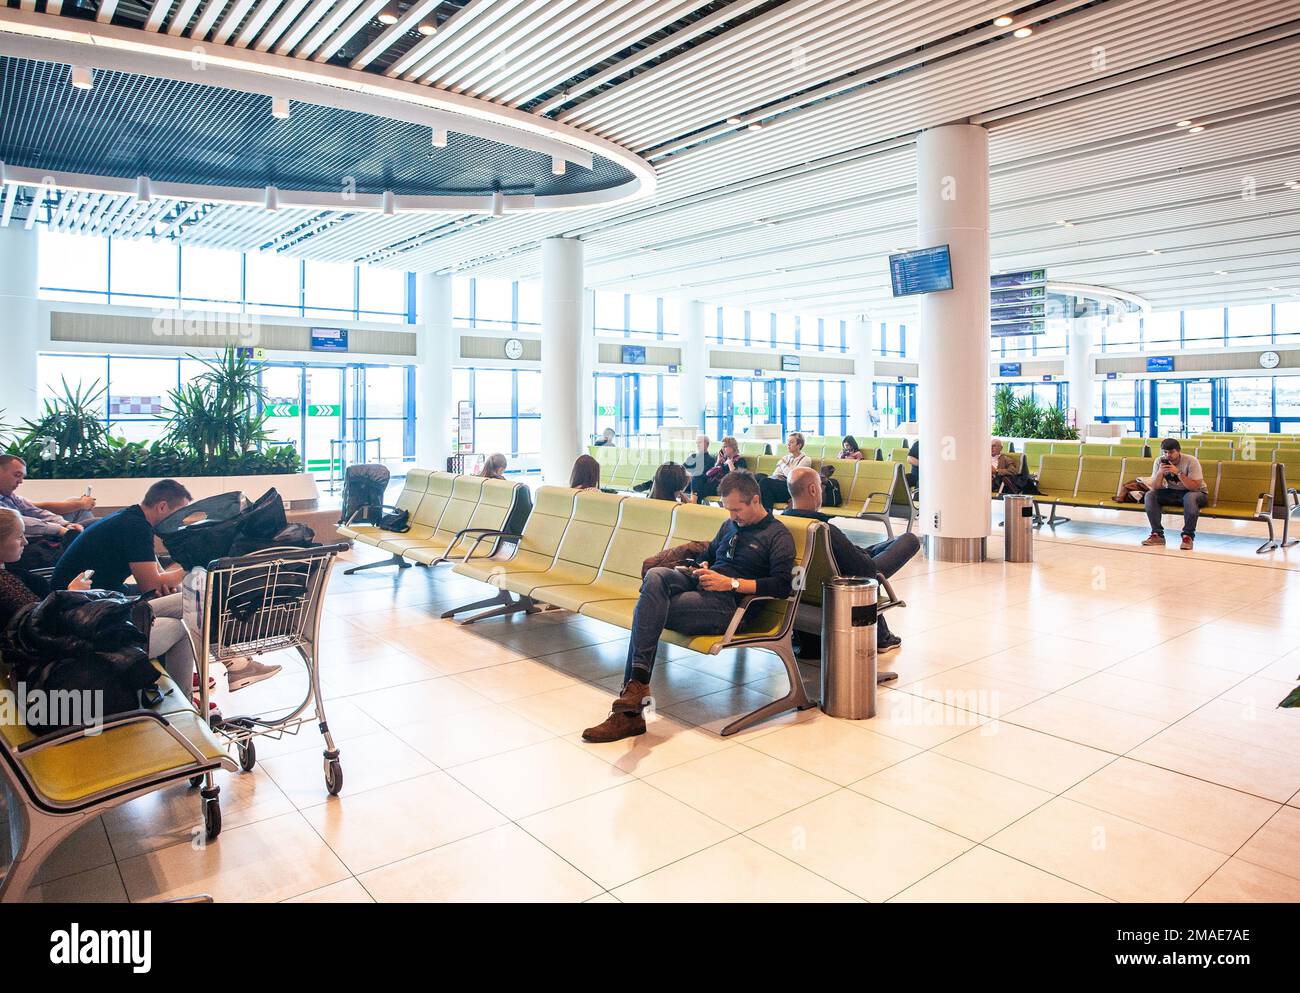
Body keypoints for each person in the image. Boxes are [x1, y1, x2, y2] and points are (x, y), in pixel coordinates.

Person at [582, 472, 794, 743]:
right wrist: (702, 566)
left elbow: (782, 585)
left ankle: (631, 708)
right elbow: (709, 555)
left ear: (755, 500)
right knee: (656, 575)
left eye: (737, 510)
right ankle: (637, 689)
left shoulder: (777, 535)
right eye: (728, 510)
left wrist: (731, 583)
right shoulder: (729, 527)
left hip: (729, 608)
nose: (732, 516)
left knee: (646, 611)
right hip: (704, 587)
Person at [51, 479, 279, 696]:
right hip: (86, 613)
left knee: (186, 599)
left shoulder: (130, 519)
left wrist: (181, 569)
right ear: (162, 507)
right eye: (180, 514)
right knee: (195, 602)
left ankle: (228, 669)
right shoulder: (135, 527)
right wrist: (195, 562)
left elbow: (157, 581)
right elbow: (152, 585)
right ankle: (234, 665)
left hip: (92, 604)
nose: (183, 522)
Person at [782, 467, 918, 655]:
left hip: (805, 596)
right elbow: (866, 571)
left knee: (878, 547)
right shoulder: (823, 530)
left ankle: (883, 636)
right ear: (813, 490)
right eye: (821, 487)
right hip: (841, 588)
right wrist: (864, 557)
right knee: (909, 540)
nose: (822, 491)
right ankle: (882, 637)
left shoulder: (784, 524)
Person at [0, 454, 96, 578]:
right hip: (28, 543)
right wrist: (60, 529)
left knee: (90, 525)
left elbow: (36, 511)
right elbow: (23, 522)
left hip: (37, 536)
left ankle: (90, 558)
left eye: (23, 477)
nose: (21, 481)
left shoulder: (10, 496)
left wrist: (65, 524)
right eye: (17, 475)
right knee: (92, 526)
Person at [1141, 438, 1208, 551]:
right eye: (1165, 452)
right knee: (1150, 495)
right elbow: (1155, 487)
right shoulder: (1159, 461)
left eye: (1171, 452)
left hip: (1197, 493)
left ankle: (1188, 536)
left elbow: (1194, 487)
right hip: (1173, 492)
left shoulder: (1191, 461)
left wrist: (1178, 472)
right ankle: (1157, 534)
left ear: (1178, 451)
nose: (1168, 455)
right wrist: (1160, 473)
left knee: (1189, 497)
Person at [757, 432, 813, 509]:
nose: (788, 444)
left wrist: (783, 465)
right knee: (757, 477)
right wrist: (787, 467)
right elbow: (776, 473)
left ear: (799, 445)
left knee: (765, 483)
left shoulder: (806, 459)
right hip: (780, 483)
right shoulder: (786, 458)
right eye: (788, 442)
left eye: (791, 442)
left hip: (792, 488)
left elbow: (792, 477)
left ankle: (766, 514)